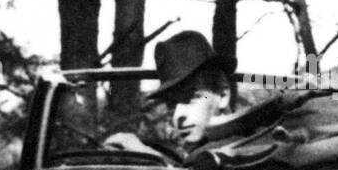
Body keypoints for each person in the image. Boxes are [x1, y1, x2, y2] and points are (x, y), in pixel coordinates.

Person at [101, 30, 238, 157]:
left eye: (191, 98)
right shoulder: (193, 151)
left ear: (223, 95)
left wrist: (148, 156)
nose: (178, 115)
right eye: (171, 103)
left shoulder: (245, 149)